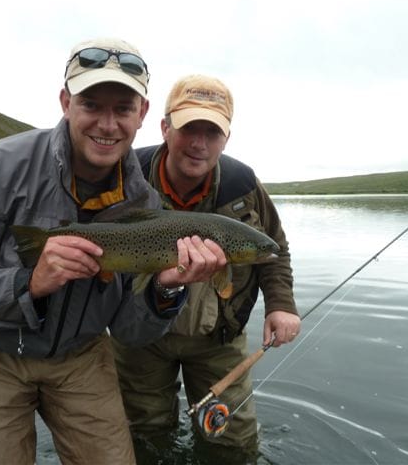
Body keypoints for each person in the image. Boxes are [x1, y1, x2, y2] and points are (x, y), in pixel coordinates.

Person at [0, 40, 227, 465]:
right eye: (92, 104)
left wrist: (166, 292)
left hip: (81, 353)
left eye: (123, 109)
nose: (108, 123)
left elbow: (131, 334)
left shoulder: (146, 208)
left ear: (143, 115)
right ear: (66, 102)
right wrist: (28, 284)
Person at [113, 74, 300, 452]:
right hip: (140, 336)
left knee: (233, 443)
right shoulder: (125, 175)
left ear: (226, 137)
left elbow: (275, 250)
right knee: (145, 435)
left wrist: (281, 306)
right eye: (189, 129)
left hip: (219, 338)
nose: (199, 144)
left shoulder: (242, 185)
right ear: (165, 128)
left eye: (212, 132)